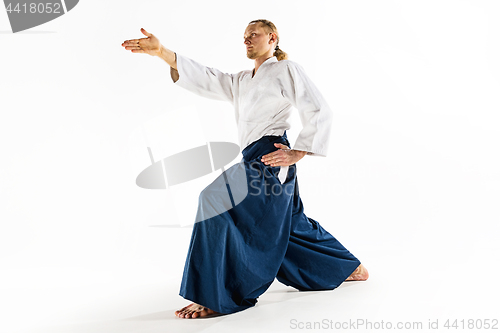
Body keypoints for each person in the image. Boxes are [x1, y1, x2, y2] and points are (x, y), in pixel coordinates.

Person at [121, 19, 369, 319]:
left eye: (254, 34)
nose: (247, 40)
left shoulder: (286, 69)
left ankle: (213, 295)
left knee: (214, 201)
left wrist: (300, 151)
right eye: (244, 36)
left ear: (272, 37)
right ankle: (348, 266)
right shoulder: (242, 80)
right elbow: (207, 78)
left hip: (270, 157)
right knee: (287, 224)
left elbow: (319, 108)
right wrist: (162, 52)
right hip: (253, 157)